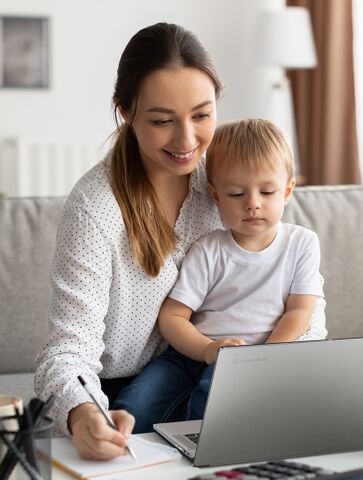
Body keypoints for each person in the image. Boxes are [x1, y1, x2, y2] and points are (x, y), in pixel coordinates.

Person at [34, 22, 225, 460]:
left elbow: (288, 275)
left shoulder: (228, 183)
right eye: (162, 121)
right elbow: (66, 351)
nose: (187, 140)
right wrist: (83, 414)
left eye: (202, 115)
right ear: (126, 113)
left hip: (218, 375)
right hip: (123, 397)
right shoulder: (96, 207)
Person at [111, 119, 327, 427]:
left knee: (211, 412)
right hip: (192, 355)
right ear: (216, 197)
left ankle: (187, 450)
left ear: (288, 191)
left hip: (255, 357)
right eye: (237, 195)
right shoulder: (208, 249)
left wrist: (264, 360)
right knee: (134, 407)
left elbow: (299, 312)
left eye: (267, 192)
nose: (253, 204)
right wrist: (207, 349)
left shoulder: (302, 243)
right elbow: (172, 317)